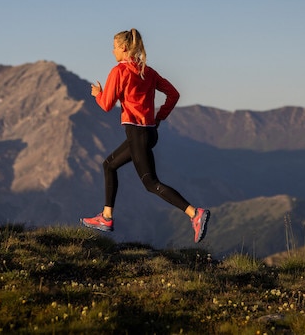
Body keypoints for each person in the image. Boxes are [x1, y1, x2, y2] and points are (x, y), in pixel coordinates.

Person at [80, 28, 211, 243]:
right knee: (109, 165)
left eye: (114, 47)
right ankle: (106, 217)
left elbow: (105, 105)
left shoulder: (118, 71)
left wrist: (97, 94)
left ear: (123, 48)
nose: (112, 51)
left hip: (136, 133)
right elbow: (174, 94)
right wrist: (160, 117)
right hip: (149, 132)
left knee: (151, 183)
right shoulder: (147, 71)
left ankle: (195, 214)